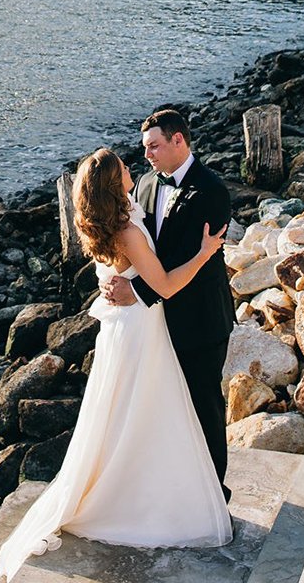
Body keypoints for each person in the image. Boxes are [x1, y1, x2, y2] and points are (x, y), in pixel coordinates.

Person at [0, 147, 232, 581]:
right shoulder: (126, 230)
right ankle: (133, 501)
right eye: (125, 166)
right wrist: (203, 253)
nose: (134, 166)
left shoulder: (111, 220)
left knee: (125, 415)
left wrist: (133, 284)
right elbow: (163, 284)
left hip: (124, 328)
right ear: (112, 182)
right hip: (141, 329)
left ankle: (133, 487)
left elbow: (130, 274)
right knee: (143, 413)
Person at [101, 108, 235, 500]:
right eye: (145, 148)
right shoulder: (144, 184)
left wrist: (138, 292)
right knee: (165, 406)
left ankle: (213, 494)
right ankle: (176, 489)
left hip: (200, 319)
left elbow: (186, 259)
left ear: (179, 140)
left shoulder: (211, 191)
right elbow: (141, 250)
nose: (148, 155)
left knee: (203, 404)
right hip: (155, 322)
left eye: (154, 146)